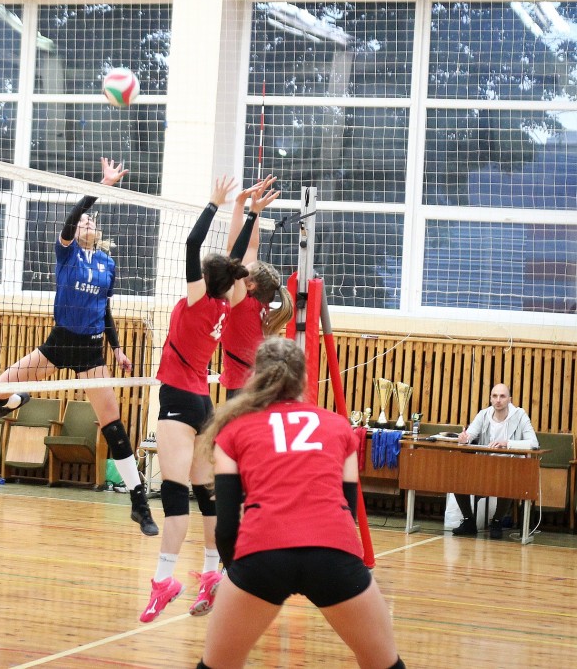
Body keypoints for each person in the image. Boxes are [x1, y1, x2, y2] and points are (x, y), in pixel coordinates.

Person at [197, 337, 404, 669]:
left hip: (263, 552)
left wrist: (238, 576)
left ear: (256, 377)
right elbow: (348, 509)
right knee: (384, 663)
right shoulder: (339, 427)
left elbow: (226, 528)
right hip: (332, 551)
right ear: (305, 379)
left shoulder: (233, 430)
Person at [0, 157, 157, 536]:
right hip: (59, 342)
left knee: (113, 425)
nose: (87, 223)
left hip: (91, 350)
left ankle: (138, 501)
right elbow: (73, 215)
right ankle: (16, 399)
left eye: (91, 221)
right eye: (82, 221)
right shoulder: (66, 252)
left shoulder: (108, 264)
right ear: (75, 231)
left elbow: (105, 309)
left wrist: (117, 348)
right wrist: (102, 186)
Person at [140, 175, 279, 624]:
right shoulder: (226, 302)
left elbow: (193, 244)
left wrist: (214, 204)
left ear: (205, 278)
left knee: (174, 494)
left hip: (179, 402)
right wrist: (250, 213)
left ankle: (164, 580)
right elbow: (236, 259)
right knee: (205, 494)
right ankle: (211, 571)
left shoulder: (200, 298)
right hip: (202, 403)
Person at [218, 184, 294, 398]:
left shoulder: (242, 301)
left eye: (247, 268)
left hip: (244, 388)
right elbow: (251, 246)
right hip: (258, 382)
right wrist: (251, 208)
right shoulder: (260, 299)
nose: (244, 265)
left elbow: (233, 251)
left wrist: (243, 207)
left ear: (250, 284)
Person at [452, 383, 539, 539]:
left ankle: (497, 521)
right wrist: (464, 439)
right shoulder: (484, 414)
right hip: (484, 466)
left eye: (502, 396)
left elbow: (534, 443)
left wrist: (507, 443)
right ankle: (469, 521)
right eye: (495, 396)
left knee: (508, 480)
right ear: (491, 399)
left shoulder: (520, 415)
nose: (498, 400)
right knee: (457, 478)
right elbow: (469, 435)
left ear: (509, 399)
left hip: (510, 467)